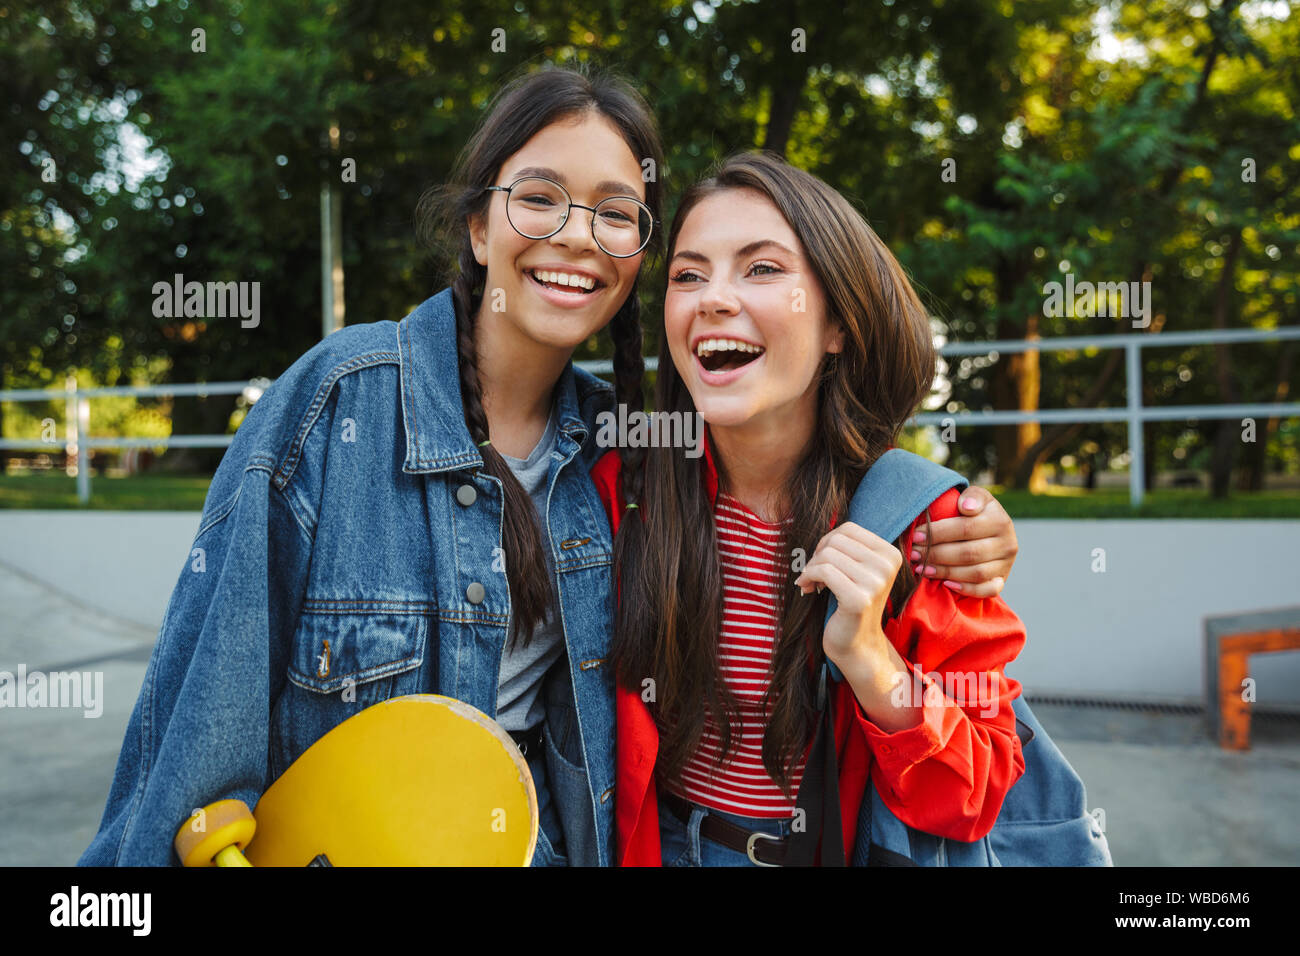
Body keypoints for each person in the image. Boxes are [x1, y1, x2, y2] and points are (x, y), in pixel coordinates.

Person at [79, 66, 1016, 868]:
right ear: (479, 228)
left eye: (616, 215)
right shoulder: (343, 402)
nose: (576, 235)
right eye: (538, 197)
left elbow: (968, 774)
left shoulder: (628, 458)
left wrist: (946, 538)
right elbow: (199, 725)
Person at [593, 151, 1027, 866]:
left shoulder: (923, 525)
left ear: (838, 324)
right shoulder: (622, 488)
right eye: (688, 274)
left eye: (761, 269)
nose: (713, 297)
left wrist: (870, 660)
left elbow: (974, 794)